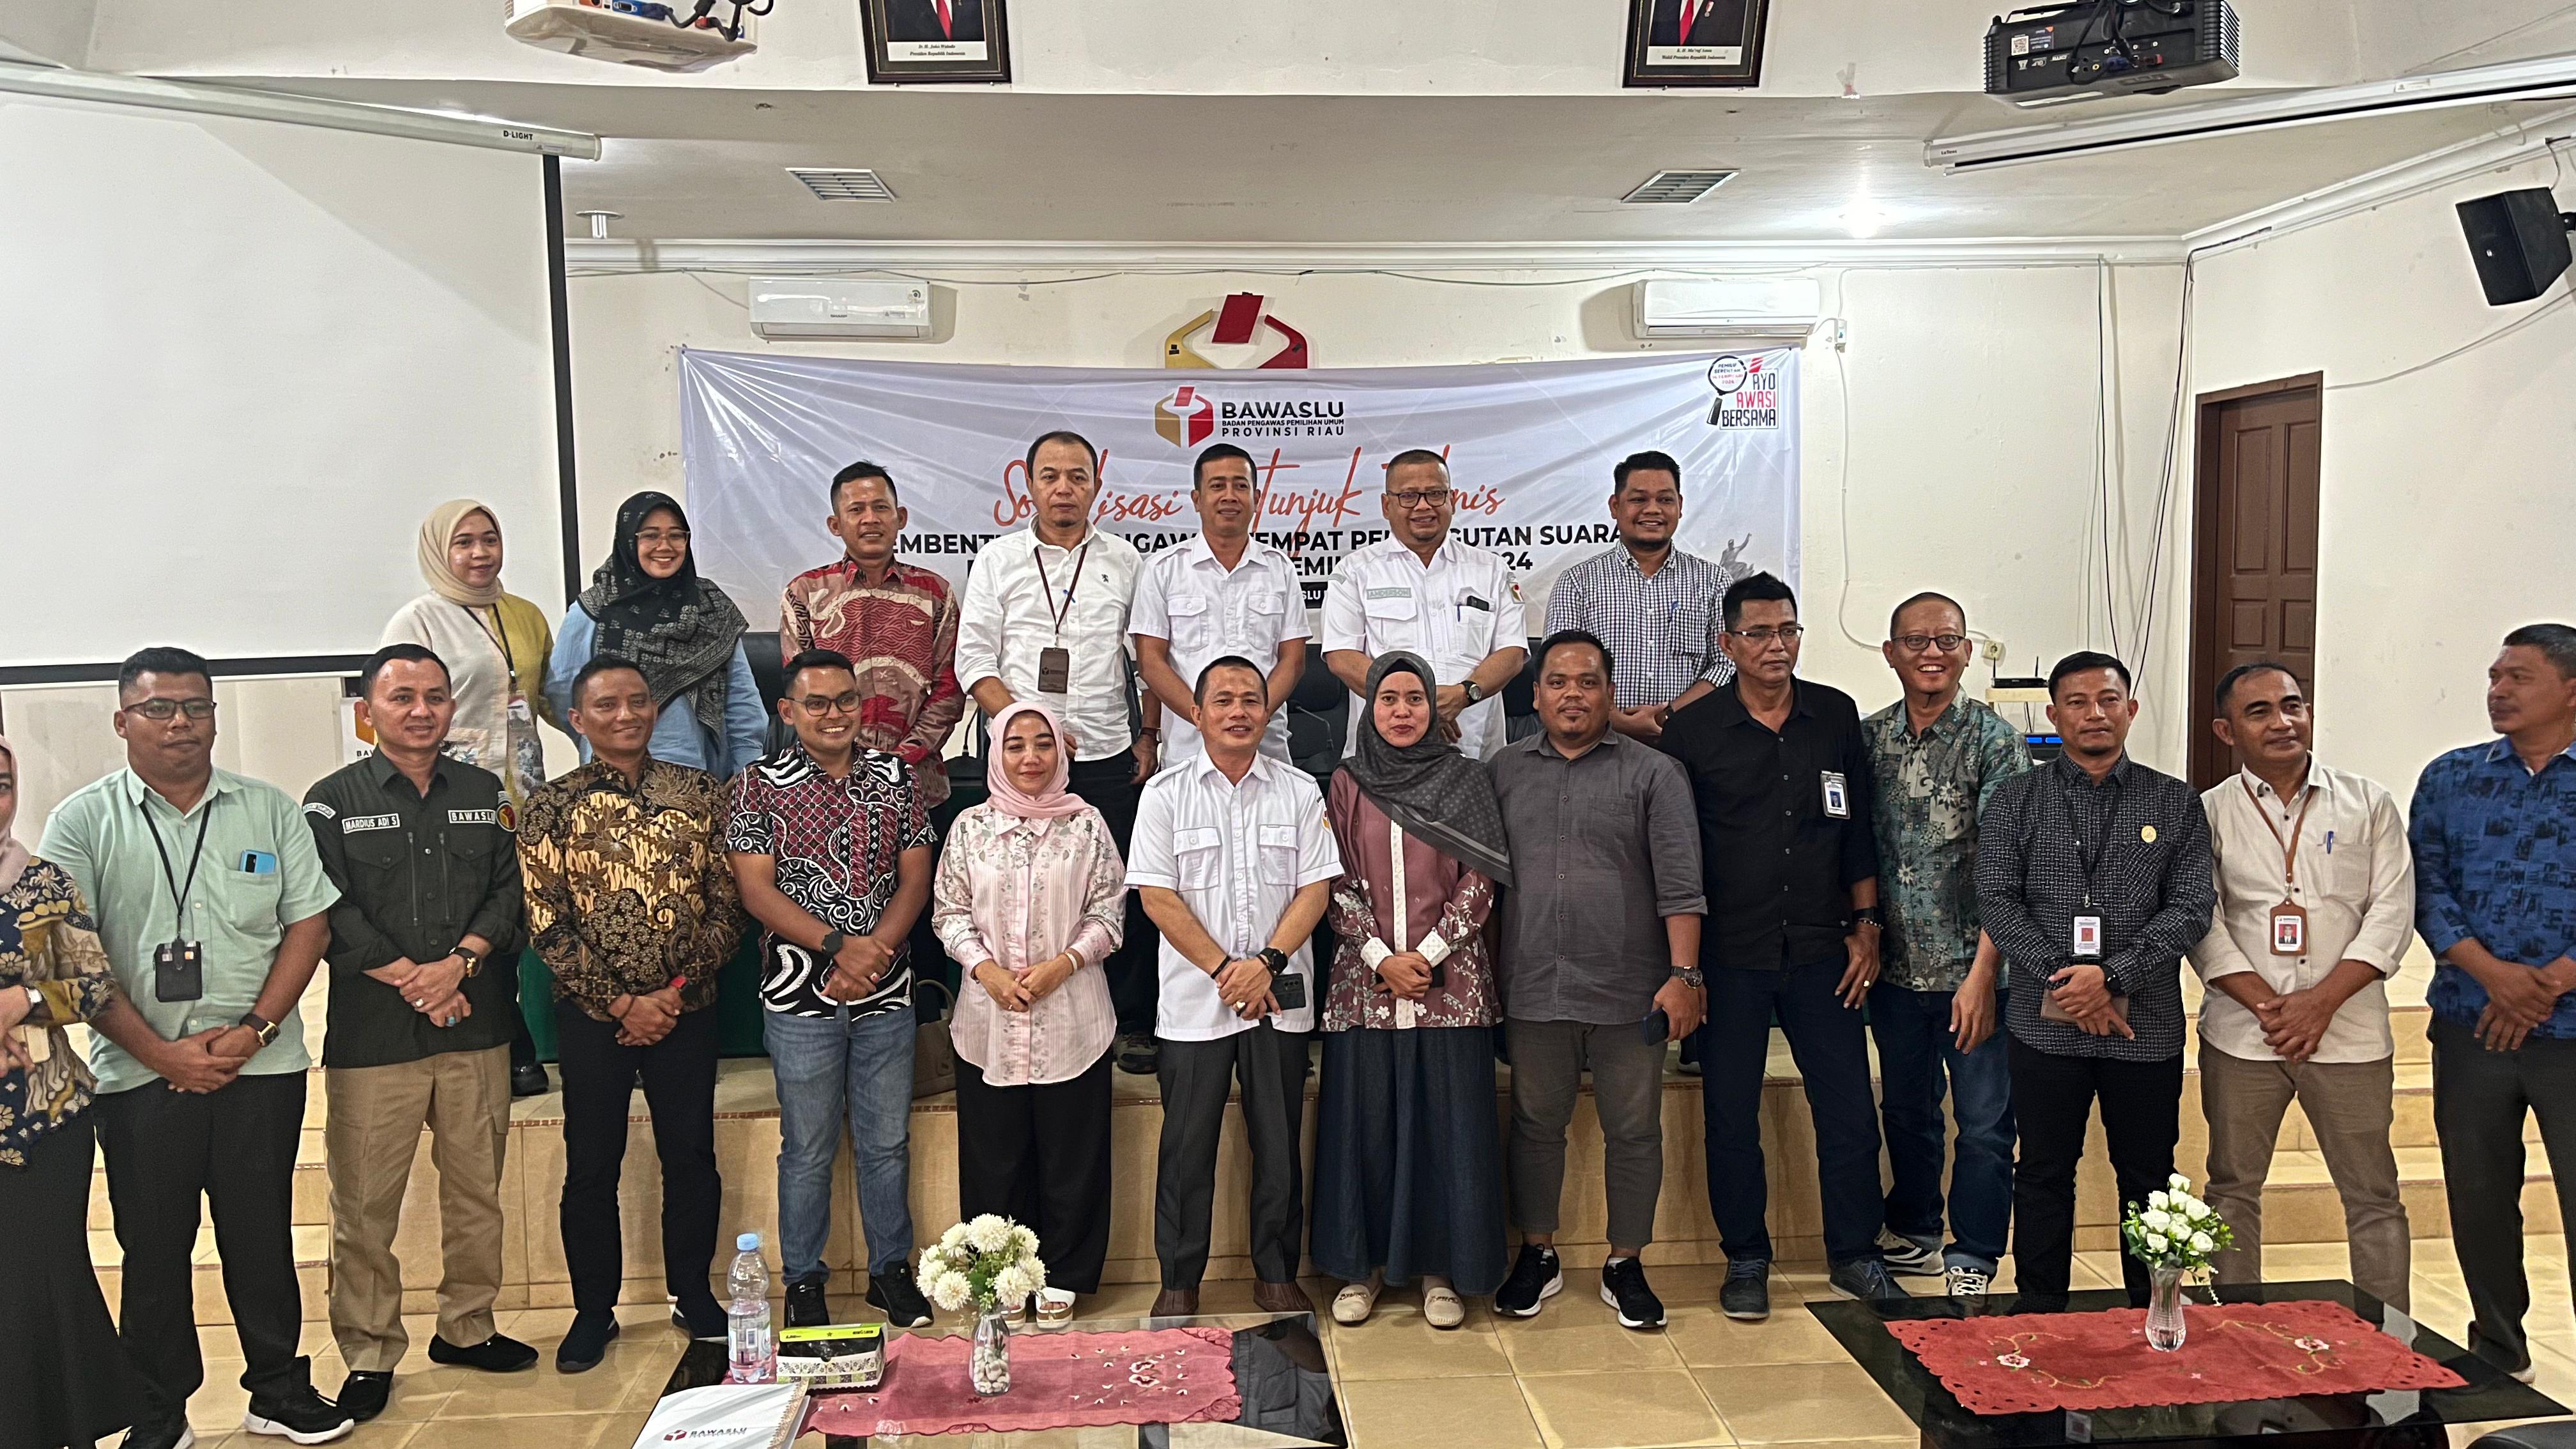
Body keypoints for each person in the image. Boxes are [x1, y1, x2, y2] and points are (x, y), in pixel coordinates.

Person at [39, 647, 353, 1443]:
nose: (181, 723)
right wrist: (163, 1054)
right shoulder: (82, 822)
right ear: (122, 721)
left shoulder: (268, 809)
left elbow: (308, 924)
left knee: (261, 1234)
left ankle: (278, 1390)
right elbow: (75, 959)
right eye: (159, 709)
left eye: (197, 707)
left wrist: (255, 1031)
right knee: (153, 1247)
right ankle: (158, 1409)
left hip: (263, 1066)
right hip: (139, 1076)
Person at [302, 645, 540, 1420]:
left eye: (436, 696)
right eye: (402, 697)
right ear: (369, 711)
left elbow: (510, 895)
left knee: (478, 1193)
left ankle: (468, 1328)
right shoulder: (330, 802)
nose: (421, 710)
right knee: (365, 1205)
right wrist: (415, 977)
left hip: (476, 1029)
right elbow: (327, 912)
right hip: (375, 1039)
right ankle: (370, 1350)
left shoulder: (484, 793)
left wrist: (459, 966)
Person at [1658, 574, 1904, 1315]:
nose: (1777, 646)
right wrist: (1686, 968)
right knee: (1730, 1115)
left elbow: (1855, 828)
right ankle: (1746, 1260)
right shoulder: (1693, 733)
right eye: (1759, 633)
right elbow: (1679, 858)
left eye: (1788, 630)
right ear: (1726, 643)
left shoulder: (1833, 715)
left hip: (1825, 950)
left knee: (1850, 1111)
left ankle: (1856, 1253)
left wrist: (1867, 926)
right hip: (1731, 957)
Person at [521, 655, 746, 1372]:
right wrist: (620, 1001)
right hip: (594, 1016)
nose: (627, 715)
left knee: (692, 1158)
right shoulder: (550, 806)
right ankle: (594, 1311)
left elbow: (726, 906)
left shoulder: (701, 794)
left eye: (640, 702)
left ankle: (693, 1293)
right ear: (577, 720)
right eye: (608, 705)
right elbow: (545, 924)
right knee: (592, 1166)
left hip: (688, 1007)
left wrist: (672, 992)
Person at [1976, 650, 2212, 1307]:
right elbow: (1996, 898)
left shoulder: (2174, 800)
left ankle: (2155, 1308)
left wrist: (2110, 977)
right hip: (2042, 1026)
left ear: (2130, 710)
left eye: (2109, 700)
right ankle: (2042, 1311)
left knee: (2149, 1178)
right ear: (2053, 715)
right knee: (2045, 1172)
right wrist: (2066, 980)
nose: (2094, 714)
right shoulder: (2017, 798)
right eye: (2077, 702)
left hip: (2147, 1024)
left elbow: (2192, 907)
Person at [1489, 631, 1705, 1330]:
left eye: (1587, 682)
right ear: (1535, 695)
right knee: (1534, 1126)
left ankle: (1625, 1261)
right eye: (1558, 682)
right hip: (1532, 986)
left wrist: (1683, 975)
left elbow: (1681, 884)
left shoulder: (1654, 773)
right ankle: (1539, 1253)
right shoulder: (1504, 770)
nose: (1572, 694)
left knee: (1635, 1131)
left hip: (1630, 988)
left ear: (1611, 693)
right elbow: (1483, 887)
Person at [724, 648, 937, 1332]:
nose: (834, 713)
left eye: (846, 700)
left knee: (885, 1143)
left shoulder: (894, 777)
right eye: (816, 703)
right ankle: (805, 1280)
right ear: (788, 712)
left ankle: (890, 1272)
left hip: (887, 992)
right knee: (809, 1146)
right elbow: (755, 890)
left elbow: (915, 877)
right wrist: (840, 948)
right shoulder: (757, 785)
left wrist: (874, 957)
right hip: (799, 999)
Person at [2191, 662, 2412, 1308]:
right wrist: (2273, 1007)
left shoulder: (2367, 802)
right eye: (2260, 712)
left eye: (2293, 705)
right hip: (2244, 1036)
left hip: (2350, 1034)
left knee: (2373, 1195)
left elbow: (2392, 912)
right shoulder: (2207, 813)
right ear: (2226, 730)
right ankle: (2239, 1332)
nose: (2283, 721)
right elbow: (2201, 923)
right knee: (2232, 1189)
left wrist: (2319, 1004)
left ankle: (2389, 1343)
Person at [1127, 656, 1341, 1318]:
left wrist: (1267, 962)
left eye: (1252, 698)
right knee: (1187, 1146)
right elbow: (1157, 898)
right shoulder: (1164, 793)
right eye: (1223, 700)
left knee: (1279, 1142)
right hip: (1197, 1001)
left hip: (1279, 994)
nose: (1240, 710)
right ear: (1197, 714)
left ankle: (1276, 1271)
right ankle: (1180, 1278)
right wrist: (1227, 970)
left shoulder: (1300, 791)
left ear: (1268, 710)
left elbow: (1317, 887)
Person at [1313, 652, 1513, 1330]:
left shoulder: (1466, 779)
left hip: (1450, 987)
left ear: (1436, 709)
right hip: (1363, 986)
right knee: (1364, 1129)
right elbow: (1329, 877)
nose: (1402, 712)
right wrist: (1378, 955)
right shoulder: (1346, 783)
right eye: (1389, 699)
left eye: (1415, 699)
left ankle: (1441, 1271)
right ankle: (1360, 1270)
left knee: (1445, 1132)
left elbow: (1482, 879)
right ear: (1369, 708)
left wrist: (1425, 955)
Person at [955, 431, 1163, 1075]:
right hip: (1020, 761)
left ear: (1098, 484)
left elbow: (1151, 661)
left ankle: (1128, 1021)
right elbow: (974, 662)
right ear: (1029, 483)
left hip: (1104, 753)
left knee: (1116, 888)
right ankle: (1009, 999)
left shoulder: (1128, 561)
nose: (1065, 488)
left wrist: (1149, 734)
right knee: (1015, 892)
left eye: (1078, 476)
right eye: (1051, 476)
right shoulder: (997, 560)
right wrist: (1029, 724)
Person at [2411, 622, 2576, 1380]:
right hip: (2472, 1021)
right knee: (2479, 1196)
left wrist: (2551, 982)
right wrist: (2495, 976)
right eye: (2494, 677)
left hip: (2570, 1029)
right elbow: (2427, 888)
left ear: (2571, 688)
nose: (2498, 691)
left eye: (2520, 678)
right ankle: (2499, 1348)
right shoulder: (2451, 778)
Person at [1859, 592, 2030, 1297]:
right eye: (1917, 641)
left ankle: (1976, 1253)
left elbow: (2006, 868)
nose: (1932, 653)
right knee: (1906, 1111)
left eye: (1947, 640)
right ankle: (1917, 1231)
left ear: (1967, 651)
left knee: (1987, 1125)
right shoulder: (1868, 741)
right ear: (1891, 652)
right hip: (1895, 974)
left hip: (1975, 974)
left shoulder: (1997, 744)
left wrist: (1984, 975)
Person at [0, 733, 168, 1449]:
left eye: (2, 783)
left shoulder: (39, 882)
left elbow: (88, 985)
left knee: (40, 1283)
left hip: (41, 1120)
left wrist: (19, 999)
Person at [932, 701, 1124, 1325]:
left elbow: (1109, 913)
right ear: (996, 753)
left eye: (1043, 744)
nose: (1031, 757)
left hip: (1073, 1016)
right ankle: (1005, 1272)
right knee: (996, 1156)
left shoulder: (1088, 826)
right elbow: (949, 912)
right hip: (988, 1021)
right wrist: (986, 971)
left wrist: (1062, 965)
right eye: (1016, 745)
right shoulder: (969, 829)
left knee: (1075, 1154)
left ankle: (1065, 1271)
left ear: (1062, 752)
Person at [381, 500, 564, 1098]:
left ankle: (509, 1039)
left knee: (513, 916)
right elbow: (399, 705)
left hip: (522, 794)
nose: (480, 554)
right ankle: (502, 1045)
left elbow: (552, 698)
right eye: (465, 543)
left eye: (490, 539)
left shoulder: (525, 615)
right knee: (465, 912)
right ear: (440, 551)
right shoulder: (419, 620)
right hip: (447, 794)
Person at [779, 461, 967, 809]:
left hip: (917, 784)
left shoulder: (935, 593)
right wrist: (851, 765)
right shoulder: (805, 593)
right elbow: (804, 696)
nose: (870, 519)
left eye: (881, 507)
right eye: (856, 510)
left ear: (901, 517)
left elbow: (949, 689)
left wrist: (901, 761)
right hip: (829, 789)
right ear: (835, 525)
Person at [547, 491, 767, 782]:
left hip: (699, 780)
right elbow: (564, 692)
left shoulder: (711, 606)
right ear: (629, 540)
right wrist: (598, 740)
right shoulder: (595, 609)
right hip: (611, 779)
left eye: (677, 536)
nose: (665, 546)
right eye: (650, 536)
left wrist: (745, 776)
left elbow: (741, 701)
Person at [1321, 450, 1526, 762]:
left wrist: (1464, 694)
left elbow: (1511, 654)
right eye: (1408, 496)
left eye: (1435, 494)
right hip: (1382, 757)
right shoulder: (1354, 572)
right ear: (1386, 505)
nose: (1423, 506)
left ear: (1452, 500)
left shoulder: (1492, 570)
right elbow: (1341, 657)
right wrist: (1419, 706)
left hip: (1475, 752)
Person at [1542, 450, 1747, 742]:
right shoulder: (1577, 582)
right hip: (1598, 743)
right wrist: (1612, 719)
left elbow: (1729, 663)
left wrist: (1670, 715)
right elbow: (1559, 671)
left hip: (1693, 739)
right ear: (1615, 506)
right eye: (1639, 499)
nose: (1653, 510)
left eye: (1665, 499)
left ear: (1680, 506)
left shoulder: (1713, 581)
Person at [1133, 442, 1310, 769]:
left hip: (1266, 747)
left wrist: (1254, 715)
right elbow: (1151, 662)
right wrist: (1206, 719)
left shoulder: (1280, 568)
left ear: (1256, 498)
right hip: (1188, 749)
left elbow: (1293, 660)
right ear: (1197, 500)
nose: (1230, 496)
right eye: (1217, 486)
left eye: (1240, 486)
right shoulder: (1163, 568)